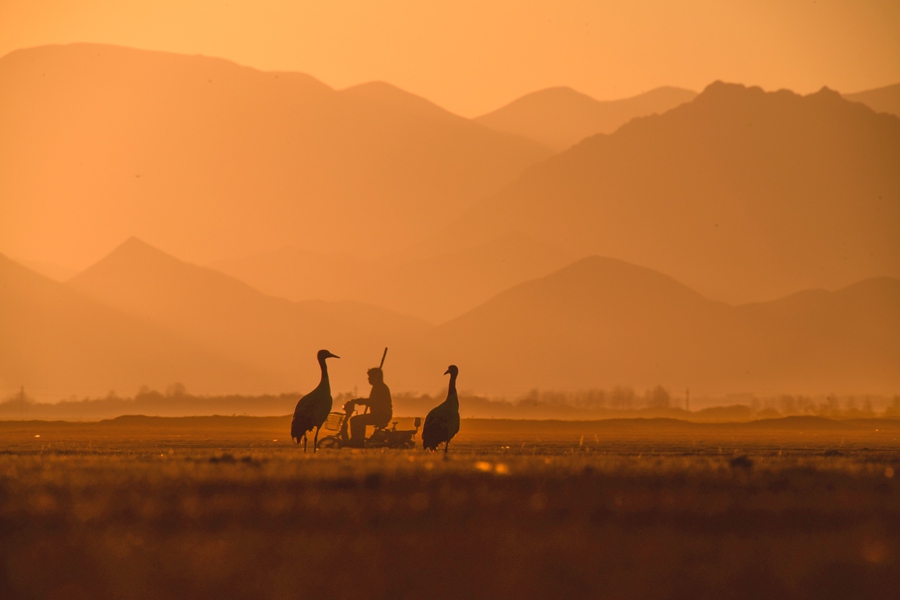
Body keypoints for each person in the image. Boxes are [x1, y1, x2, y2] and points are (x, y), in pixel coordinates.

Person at [348, 367, 392, 447]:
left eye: (370, 377)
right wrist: (360, 401)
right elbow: (372, 401)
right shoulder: (378, 387)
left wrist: (359, 401)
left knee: (355, 420)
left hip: (381, 415)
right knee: (358, 420)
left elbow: (373, 401)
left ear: (376, 377)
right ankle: (358, 439)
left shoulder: (380, 388)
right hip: (378, 414)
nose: (369, 379)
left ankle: (357, 440)